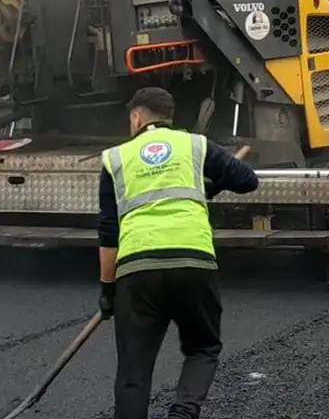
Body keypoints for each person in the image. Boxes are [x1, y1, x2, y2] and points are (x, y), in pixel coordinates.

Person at [97, 87, 259, 419]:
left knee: (133, 370)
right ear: (170, 117)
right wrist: (208, 184)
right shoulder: (196, 146)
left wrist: (108, 289)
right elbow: (247, 180)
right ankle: (183, 413)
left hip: (136, 268)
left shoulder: (115, 158)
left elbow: (108, 232)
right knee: (203, 347)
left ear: (136, 117)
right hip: (192, 262)